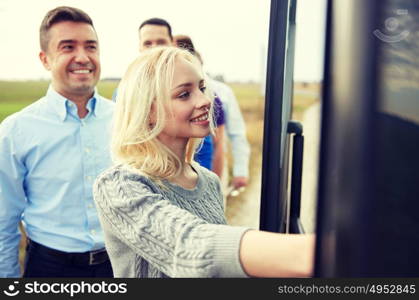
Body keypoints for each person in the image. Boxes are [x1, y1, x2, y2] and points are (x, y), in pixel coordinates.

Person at [93, 46, 314, 278]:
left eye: (202, 88)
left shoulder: (208, 181)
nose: (205, 101)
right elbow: (191, 246)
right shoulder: (119, 185)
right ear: (148, 111)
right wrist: (309, 253)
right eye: (184, 94)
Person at [0, 6, 114, 277]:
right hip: (50, 269)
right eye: (67, 47)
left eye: (91, 47)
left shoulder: (125, 120)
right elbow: (4, 222)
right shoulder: (16, 131)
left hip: (119, 265)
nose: (83, 57)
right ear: (45, 59)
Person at [114, 19, 225, 178]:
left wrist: (216, 188)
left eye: (161, 42)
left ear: (173, 43)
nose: (155, 49)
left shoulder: (208, 179)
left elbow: (218, 144)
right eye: (148, 44)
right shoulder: (130, 182)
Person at [173, 34, 250, 192]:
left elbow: (234, 134)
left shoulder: (222, 93)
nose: (204, 101)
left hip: (214, 164)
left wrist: (240, 171)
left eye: (202, 89)